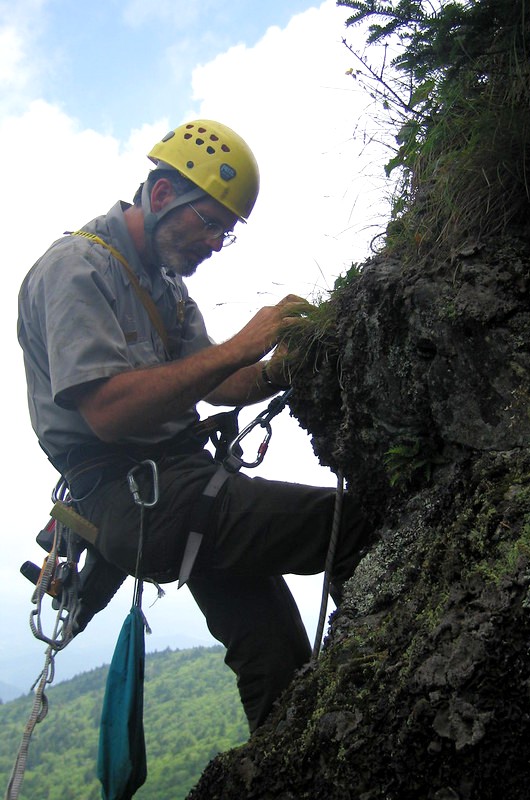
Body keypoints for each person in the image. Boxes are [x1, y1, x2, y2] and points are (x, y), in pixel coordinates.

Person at [17, 119, 369, 733]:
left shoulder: (168, 290)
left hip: (177, 490)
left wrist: (285, 363)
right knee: (352, 522)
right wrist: (241, 345)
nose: (214, 243)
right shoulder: (76, 269)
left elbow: (216, 382)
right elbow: (109, 411)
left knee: (276, 657)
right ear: (160, 197)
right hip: (143, 496)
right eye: (209, 223)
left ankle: (283, 772)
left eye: (225, 233)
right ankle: (387, 682)